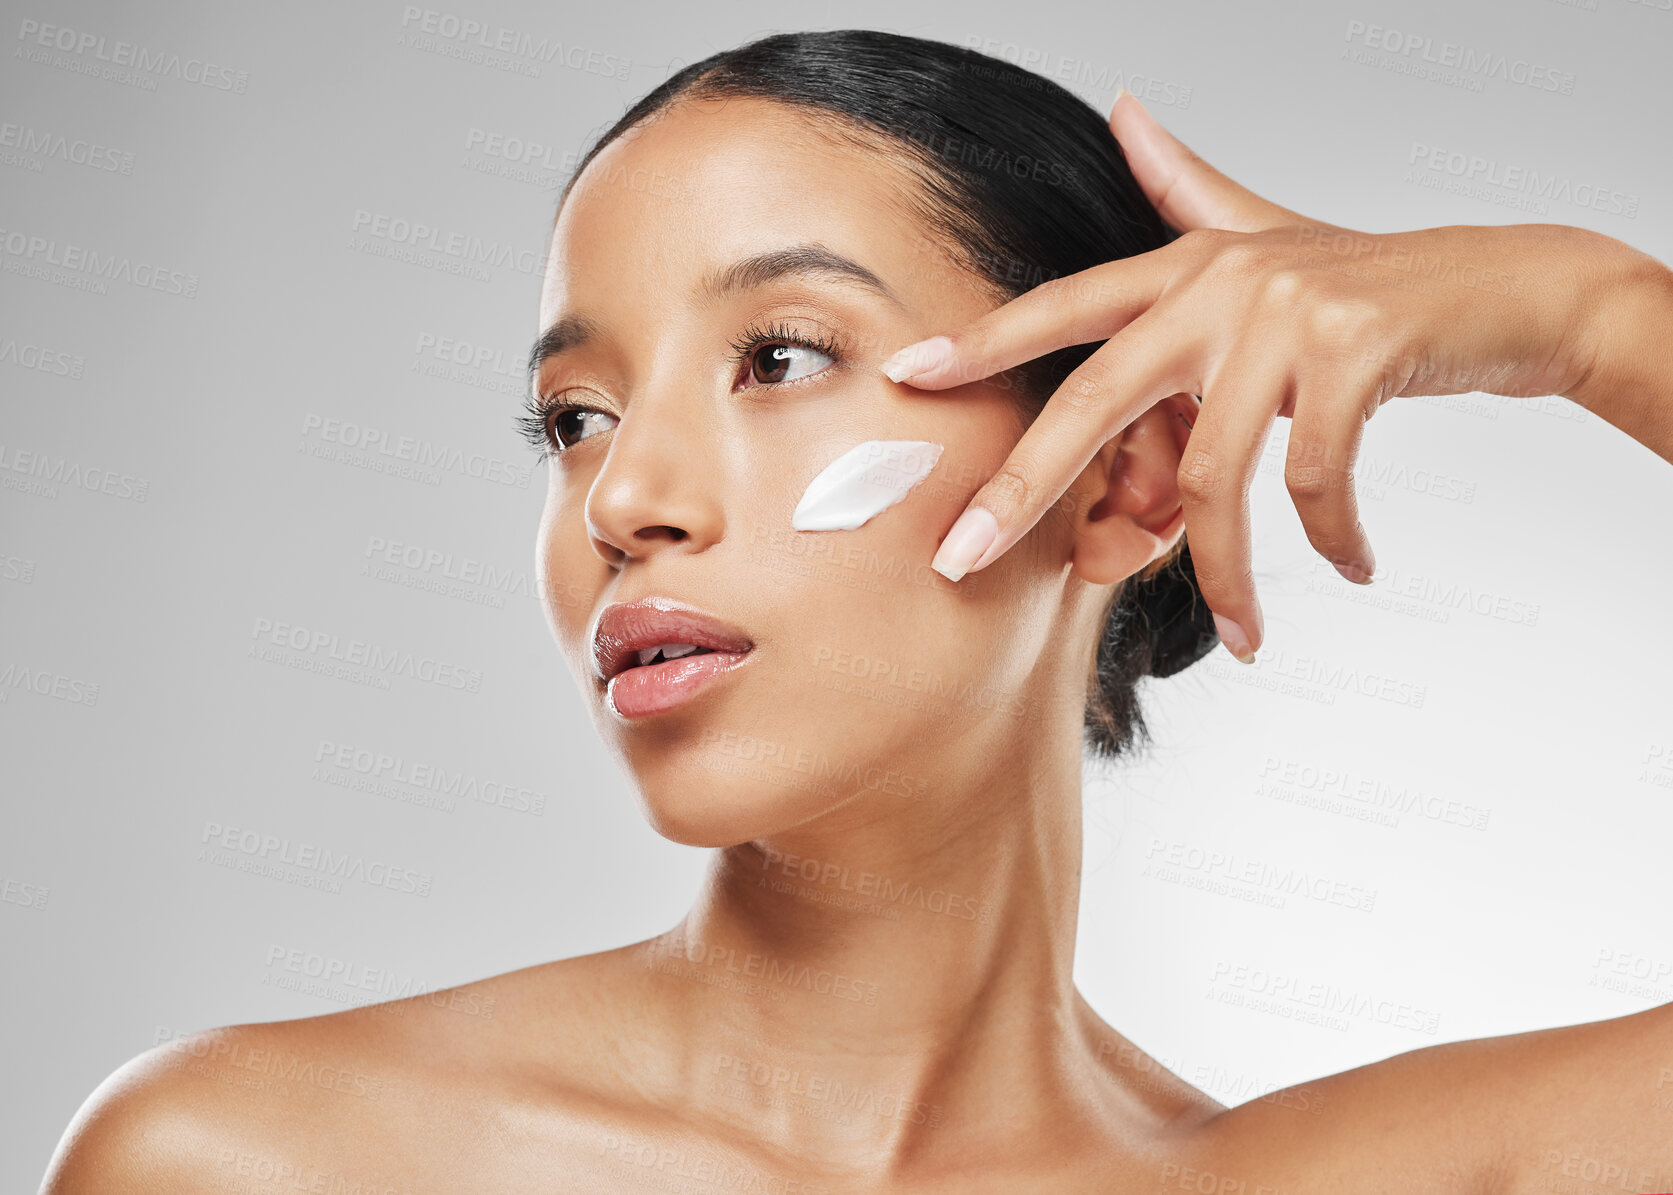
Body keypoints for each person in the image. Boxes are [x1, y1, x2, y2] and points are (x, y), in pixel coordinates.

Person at [40, 28, 1673, 1194]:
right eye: (574, 419)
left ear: (1119, 483)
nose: (620, 503)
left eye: (778, 358)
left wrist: (1587, 311)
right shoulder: (259, 1160)